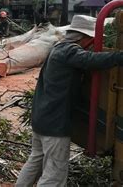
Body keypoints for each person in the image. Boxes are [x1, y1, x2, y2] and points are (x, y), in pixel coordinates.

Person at [16, 15, 123, 186]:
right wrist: (119, 57)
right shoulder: (69, 51)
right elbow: (91, 60)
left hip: (41, 119)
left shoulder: (58, 48)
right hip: (55, 124)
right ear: (85, 38)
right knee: (54, 175)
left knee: (35, 162)